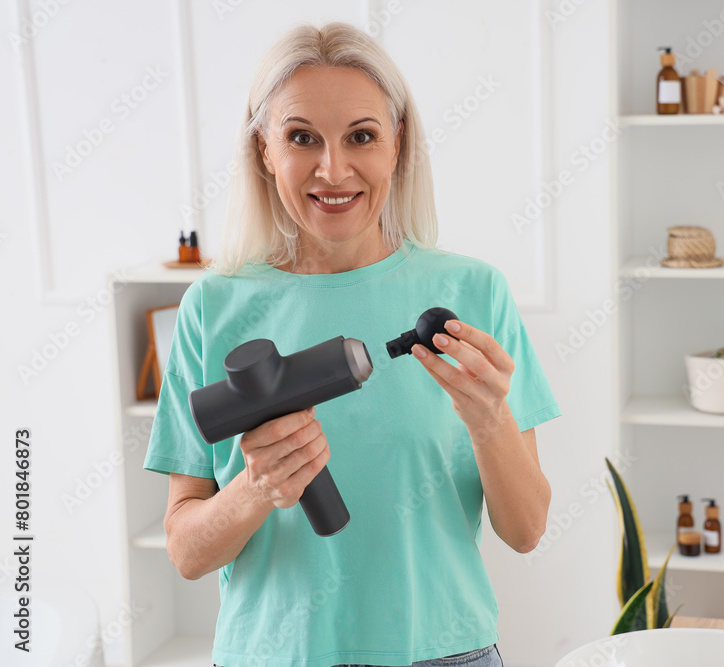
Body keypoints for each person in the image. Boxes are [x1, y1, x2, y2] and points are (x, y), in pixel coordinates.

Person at [142, 22, 560, 667]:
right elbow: (187, 552)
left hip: (441, 653)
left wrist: (489, 419)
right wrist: (256, 488)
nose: (332, 169)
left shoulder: (472, 293)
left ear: (398, 146)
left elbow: (527, 530)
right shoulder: (214, 304)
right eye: (301, 137)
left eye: (361, 136)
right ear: (263, 150)